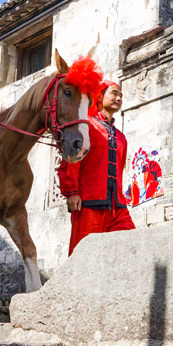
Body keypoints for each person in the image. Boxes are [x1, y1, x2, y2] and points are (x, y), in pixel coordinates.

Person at [57, 81, 135, 255]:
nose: (119, 98)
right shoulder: (87, 126)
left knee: (129, 249)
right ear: (99, 96)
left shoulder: (121, 136)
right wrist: (71, 192)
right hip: (88, 204)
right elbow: (71, 160)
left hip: (117, 207)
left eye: (121, 95)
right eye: (114, 93)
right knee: (84, 257)